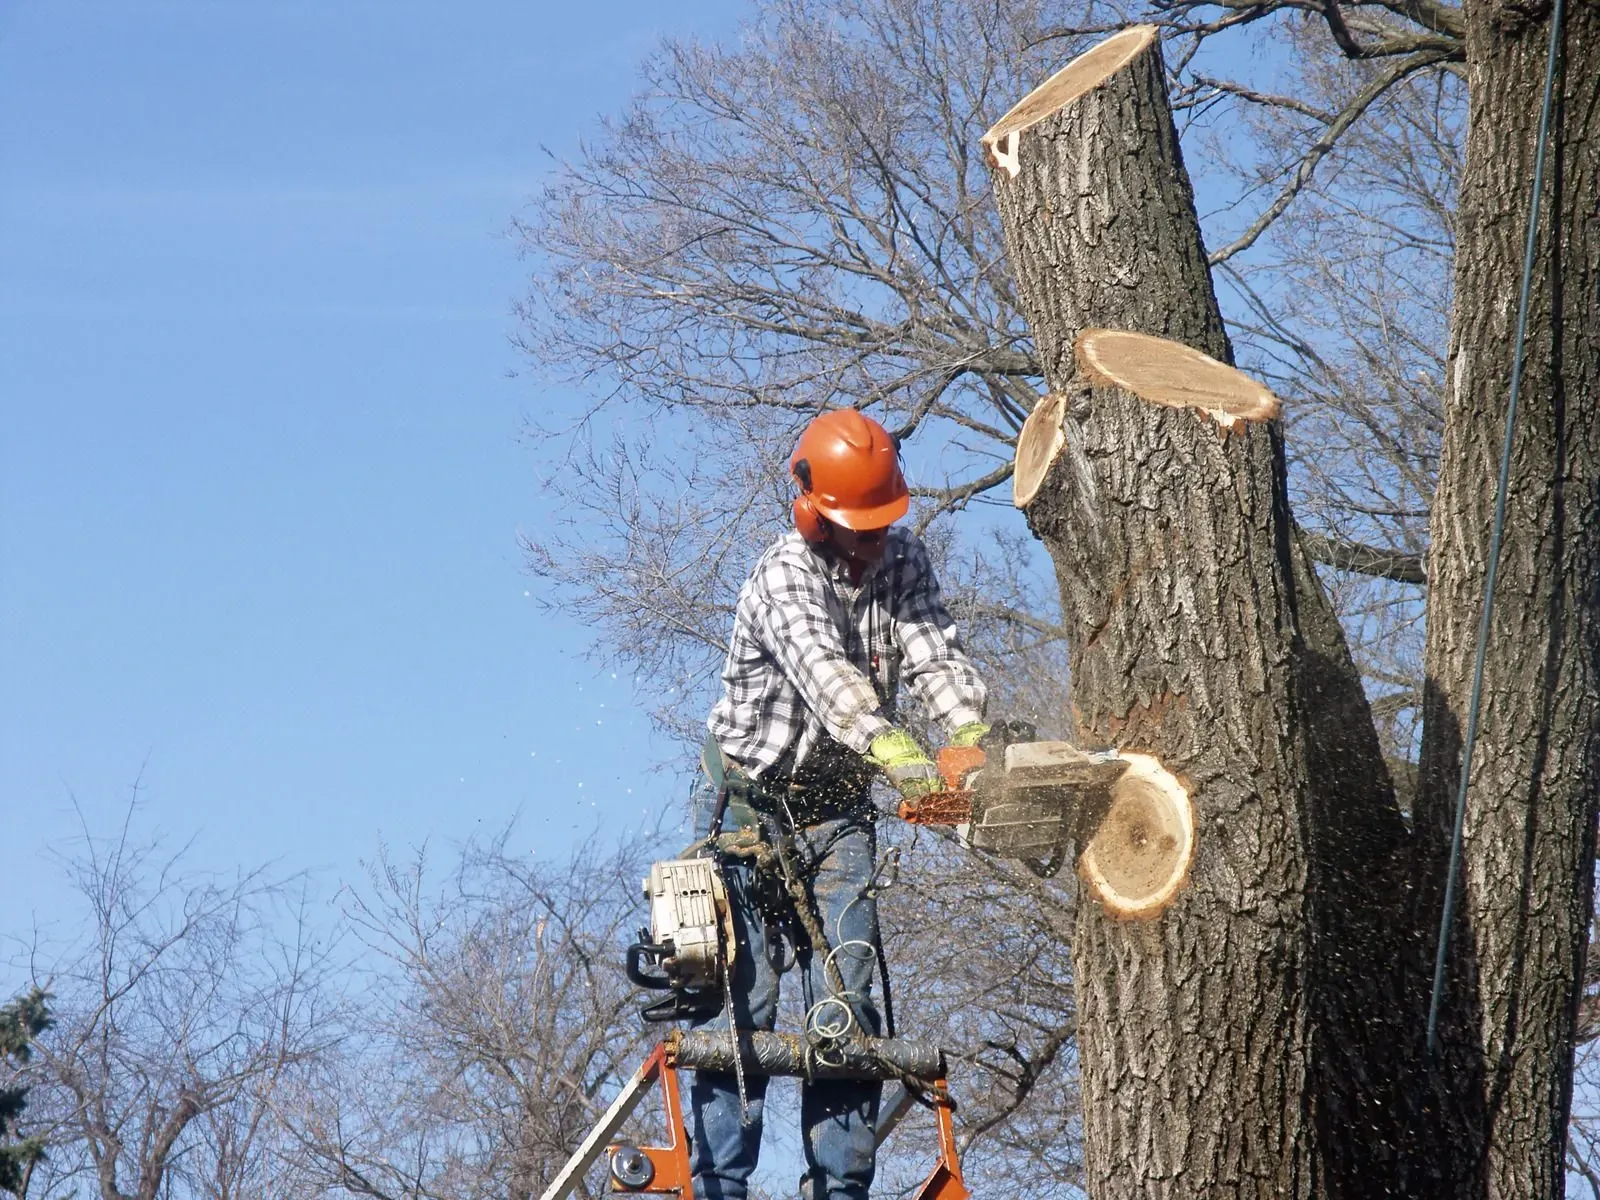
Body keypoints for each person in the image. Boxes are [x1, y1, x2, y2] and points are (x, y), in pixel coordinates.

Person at [689, 408, 988, 1200]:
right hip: (747, 815)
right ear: (813, 514)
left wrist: (966, 738)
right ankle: (719, 1187)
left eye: (885, 525)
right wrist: (906, 762)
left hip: (838, 815)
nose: (877, 543)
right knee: (738, 1008)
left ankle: (842, 1190)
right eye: (863, 530)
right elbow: (833, 686)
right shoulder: (784, 576)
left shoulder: (903, 559)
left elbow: (933, 649)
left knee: (847, 1006)